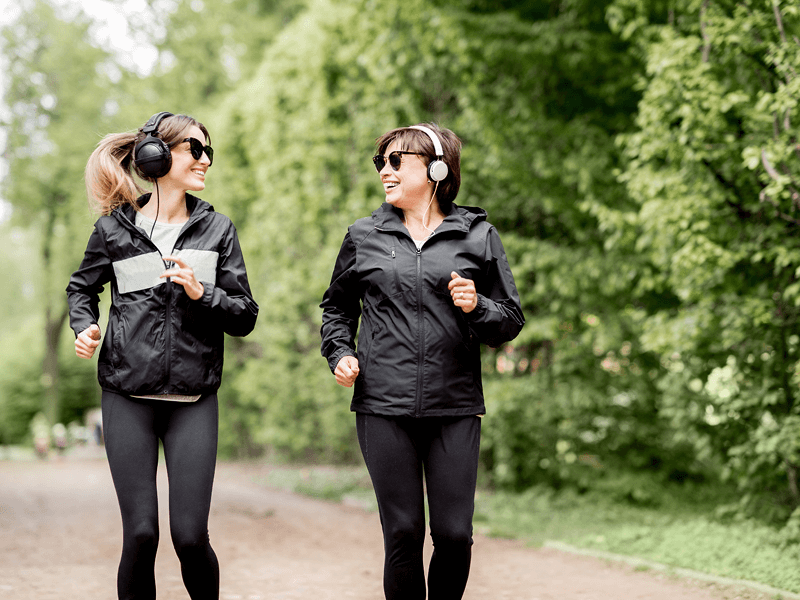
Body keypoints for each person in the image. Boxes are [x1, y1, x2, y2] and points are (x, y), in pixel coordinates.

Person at [320, 123, 524, 599]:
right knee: (404, 534)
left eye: (396, 161)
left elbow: (510, 320)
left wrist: (478, 306)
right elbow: (336, 308)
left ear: (435, 169)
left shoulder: (478, 236)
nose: (385, 172)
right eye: (380, 163)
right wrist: (341, 352)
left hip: (453, 407)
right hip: (382, 407)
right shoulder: (364, 235)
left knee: (454, 536)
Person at [66, 112, 258, 600]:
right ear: (158, 156)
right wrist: (84, 326)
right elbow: (81, 290)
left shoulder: (218, 230)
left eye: (208, 151)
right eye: (196, 149)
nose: (205, 160)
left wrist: (202, 293)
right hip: (126, 396)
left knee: (190, 537)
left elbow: (244, 315)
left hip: (194, 400)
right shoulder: (113, 231)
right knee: (141, 534)